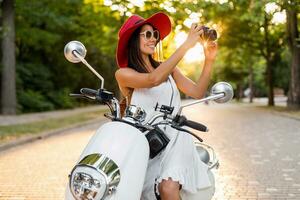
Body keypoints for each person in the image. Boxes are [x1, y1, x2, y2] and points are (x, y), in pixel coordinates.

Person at [115, 12, 217, 200]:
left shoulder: (169, 69)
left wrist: (209, 60)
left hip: (176, 137)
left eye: (155, 34)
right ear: (132, 40)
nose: (153, 38)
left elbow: (197, 92)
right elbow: (153, 79)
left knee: (167, 188)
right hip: (145, 141)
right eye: (147, 34)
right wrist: (187, 44)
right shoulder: (124, 74)